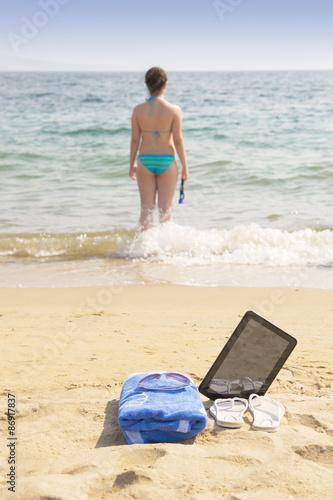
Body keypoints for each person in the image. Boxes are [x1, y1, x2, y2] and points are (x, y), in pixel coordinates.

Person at [129, 67, 189, 230]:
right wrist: (184, 165)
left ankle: (142, 250)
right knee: (165, 211)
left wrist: (132, 163)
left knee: (146, 211)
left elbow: (135, 140)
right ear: (165, 85)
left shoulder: (138, 110)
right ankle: (165, 250)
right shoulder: (174, 110)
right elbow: (178, 140)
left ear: (147, 86)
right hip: (167, 161)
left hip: (145, 161)